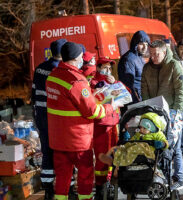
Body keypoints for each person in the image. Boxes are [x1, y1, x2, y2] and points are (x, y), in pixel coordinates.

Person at [46, 42, 115, 200]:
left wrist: (90, 92)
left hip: (58, 139)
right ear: (77, 58)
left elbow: (66, 100)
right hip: (77, 140)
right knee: (85, 175)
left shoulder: (53, 75)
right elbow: (92, 111)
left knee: (63, 177)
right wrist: (111, 107)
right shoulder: (77, 80)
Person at [31, 38, 77, 200]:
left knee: (47, 152)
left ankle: (48, 189)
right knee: (65, 152)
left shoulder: (40, 68)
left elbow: (34, 93)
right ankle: (69, 187)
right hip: (58, 118)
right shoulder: (61, 70)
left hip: (42, 116)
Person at [141, 40, 183, 190]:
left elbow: (181, 90)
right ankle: (160, 176)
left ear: (164, 52)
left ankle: (178, 177)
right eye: (151, 54)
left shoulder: (173, 65)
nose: (153, 57)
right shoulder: (147, 68)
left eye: (156, 54)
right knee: (158, 145)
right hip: (154, 113)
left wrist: (177, 111)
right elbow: (144, 90)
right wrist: (148, 109)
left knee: (175, 146)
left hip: (172, 112)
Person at [90, 57, 120, 200]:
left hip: (113, 124)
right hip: (101, 125)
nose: (108, 71)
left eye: (110, 68)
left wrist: (115, 84)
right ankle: (101, 188)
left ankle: (110, 183)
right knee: (102, 157)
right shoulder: (94, 83)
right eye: (105, 68)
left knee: (113, 155)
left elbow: (125, 93)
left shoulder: (113, 82)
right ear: (98, 68)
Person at [98, 112, 168, 169]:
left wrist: (162, 144)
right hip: (135, 150)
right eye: (140, 127)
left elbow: (166, 143)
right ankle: (111, 158)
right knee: (118, 147)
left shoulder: (157, 134)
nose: (141, 130)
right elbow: (131, 141)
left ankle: (115, 162)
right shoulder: (138, 134)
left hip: (148, 153)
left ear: (152, 129)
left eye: (144, 128)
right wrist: (126, 137)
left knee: (137, 147)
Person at [118, 30, 150, 104]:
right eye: (142, 44)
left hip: (141, 98)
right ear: (135, 44)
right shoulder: (129, 59)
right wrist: (137, 102)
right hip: (134, 101)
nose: (145, 47)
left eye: (146, 44)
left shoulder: (139, 57)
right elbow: (128, 85)